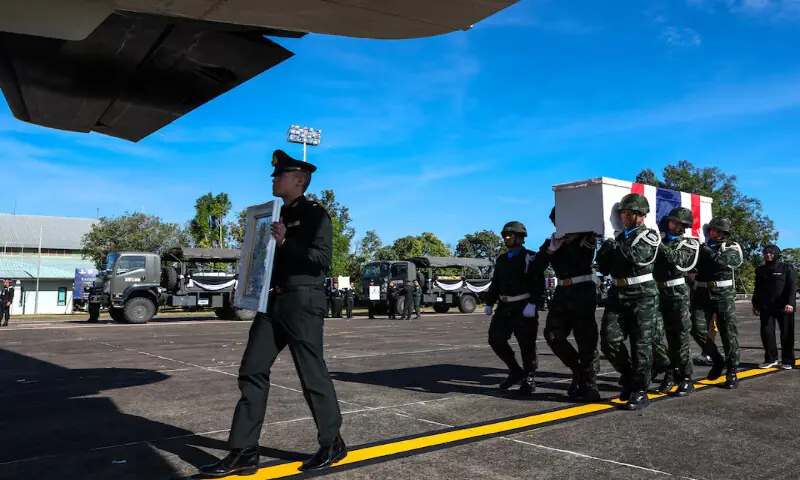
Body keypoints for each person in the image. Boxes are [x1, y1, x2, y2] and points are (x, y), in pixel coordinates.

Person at [200, 149, 346, 477]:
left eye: (279, 175)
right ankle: (244, 451)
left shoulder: (315, 214)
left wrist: (284, 242)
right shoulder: (273, 215)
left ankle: (331, 441)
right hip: (272, 302)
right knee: (251, 369)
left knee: (311, 374)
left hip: (302, 302)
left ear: (298, 180)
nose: (273, 179)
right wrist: (248, 292)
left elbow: (321, 260)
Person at [596, 193, 661, 410]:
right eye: (622, 213)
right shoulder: (617, 239)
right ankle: (630, 377)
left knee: (641, 344)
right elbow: (604, 268)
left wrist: (614, 245)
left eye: (628, 213)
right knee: (609, 340)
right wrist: (605, 248)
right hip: (617, 293)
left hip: (642, 295)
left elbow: (636, 256)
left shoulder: (649, 237)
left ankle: (640, 390)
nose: (624, 216)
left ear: (640, 215)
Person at [532, 207, 600, 401]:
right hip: (562, 292)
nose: (558, 225)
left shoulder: (586, 237)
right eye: (556, 222)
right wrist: (551, 250)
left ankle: (590, 385)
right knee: (552, 335)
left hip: (582, 291)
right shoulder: (552, 242)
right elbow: (537, 267)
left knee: (586, 339)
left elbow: (589, 250)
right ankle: (577, 371)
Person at [483, 221, 544, 395]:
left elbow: (538, 282)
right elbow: (496, 282)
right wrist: (489, 302)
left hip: (523, 306)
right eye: (505, 235)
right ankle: (515, 370)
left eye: (510, 235)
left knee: (527, 344)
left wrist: (534, 303)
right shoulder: (502, 259)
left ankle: (529, 377)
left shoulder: (530, 257)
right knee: (495, 339)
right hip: (504, 306)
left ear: (520, 237)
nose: (506, 238)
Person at [652, 207, 700, 396]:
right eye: (672, 221)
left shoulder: (689, 244)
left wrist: (658, 244)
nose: (674, 225)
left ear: (685, 226)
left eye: (678, 223)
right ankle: (668, 368)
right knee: (653, 335)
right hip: (657, 291)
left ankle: (686, 378)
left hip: (677, 292)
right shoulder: (658, 241)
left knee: (679, 338)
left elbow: (677, 260)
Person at [693, 217, 743, 389]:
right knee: (696, 329)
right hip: (702, 293)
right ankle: (717, 359)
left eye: (719, 231)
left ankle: (732, 369)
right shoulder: (701, 247)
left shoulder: (730, 247)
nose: (715, 233)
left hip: (723, 294)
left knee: (728, 333)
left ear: (725, 233)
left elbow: (721, 262)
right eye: (713, 230)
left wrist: (703, 247)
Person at [752, 245, 796, 369]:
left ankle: (788, 360)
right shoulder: (760, 270)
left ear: (776, 254)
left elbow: (792, 287)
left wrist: (790, 303)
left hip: (784, 306)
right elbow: (757, 289)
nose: (768, 255)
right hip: (766, 307)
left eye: (771, 253)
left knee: (786, 334)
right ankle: (771, 358)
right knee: (767, 333)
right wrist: (755, 304)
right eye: (766, 253)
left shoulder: (787, 268)